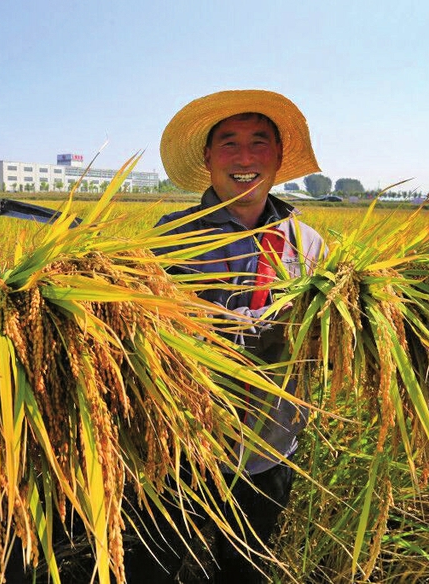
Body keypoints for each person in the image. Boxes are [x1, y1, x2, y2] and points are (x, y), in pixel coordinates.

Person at [138, 89, 325, 583]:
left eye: (259, 142)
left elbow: (324, 341)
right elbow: (139, 335)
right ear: (207, 157)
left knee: (246, 571)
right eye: (229, 143)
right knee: (149, 569)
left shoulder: (308, 244)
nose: (244, 158)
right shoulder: (171, 237)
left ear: (279, 158)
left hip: (270, 448)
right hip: (181, 446)